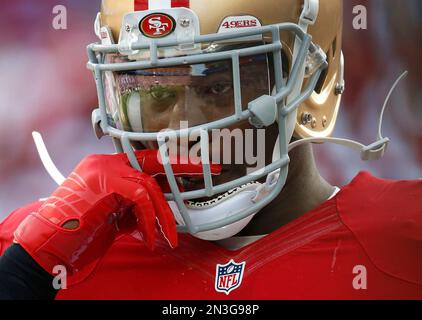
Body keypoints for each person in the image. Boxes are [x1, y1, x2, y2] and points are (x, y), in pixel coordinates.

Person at [0, 0, 421, 300]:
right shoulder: (44, 253)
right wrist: (25, 274)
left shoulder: (403, 240)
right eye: (156, 93)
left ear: (312, 76)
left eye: (220, 86)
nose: (183, 129)